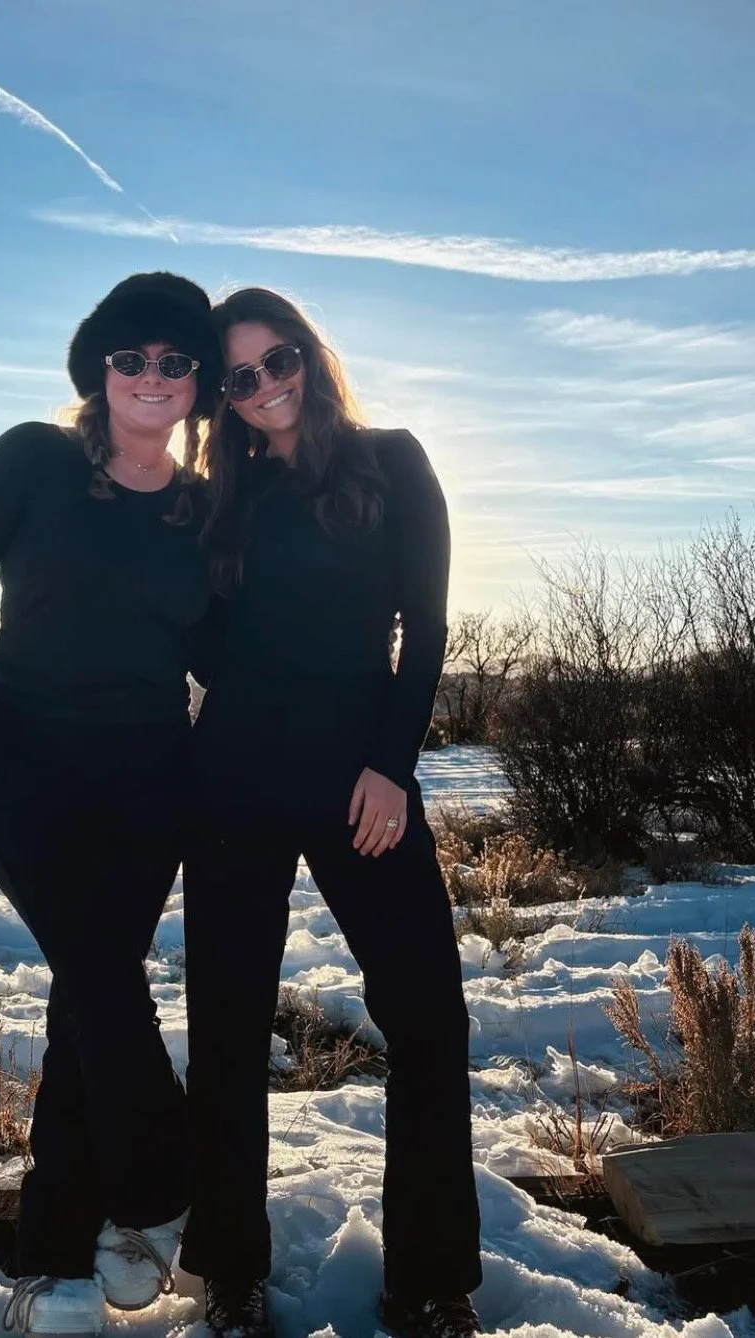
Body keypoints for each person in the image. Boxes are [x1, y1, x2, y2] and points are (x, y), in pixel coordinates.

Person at [0, 273, 220, 1338]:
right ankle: (163, 1187)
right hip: (23, 766)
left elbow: (222, 654)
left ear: (197, 382)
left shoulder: (202, 509)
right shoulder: (31, 461)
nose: (150, 376)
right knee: (101, 977)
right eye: (130, 357)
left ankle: (54, 1259)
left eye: (174, 361)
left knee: (86, 999)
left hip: (150, 777)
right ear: (99, 368)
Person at [181, 289, 483, 1338]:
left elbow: (426, 625)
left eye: (280, 359)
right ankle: (229, 1274)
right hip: (235, 778)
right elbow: (200, 638)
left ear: (310, 355)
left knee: (429, 1016)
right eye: (241, 377)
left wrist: (389, 765)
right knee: (226, 1024)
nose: (266, 386)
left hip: (363, 782)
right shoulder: (222, 499)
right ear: (224, 398)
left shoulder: (391, 461)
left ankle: (430, 1283)